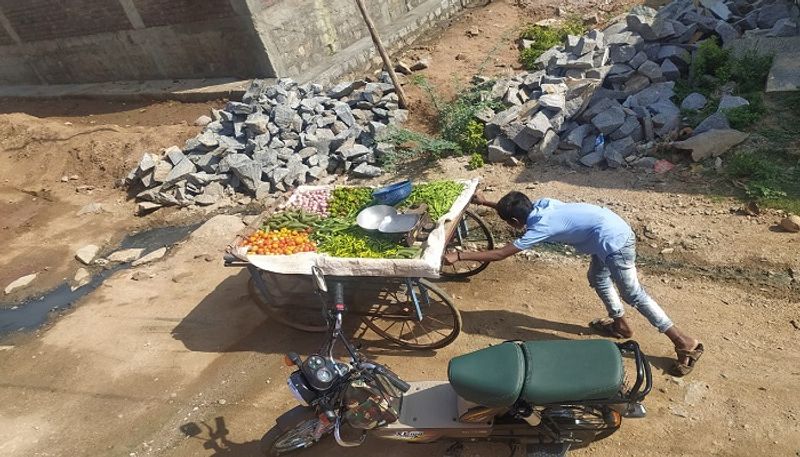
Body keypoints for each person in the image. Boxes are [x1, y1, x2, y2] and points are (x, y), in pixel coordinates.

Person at [443, 191, 704, 376]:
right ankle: (621, 324)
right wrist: (485, 202)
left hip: (615, 243)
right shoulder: (544, 205)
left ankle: (684, 342)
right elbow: (515, 213)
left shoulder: (539, 228)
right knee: (597, 277)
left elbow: (500, 254)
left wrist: (460, 255)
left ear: (514, 222)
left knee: (633, 294)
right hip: (609, 231)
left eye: (510, 223)